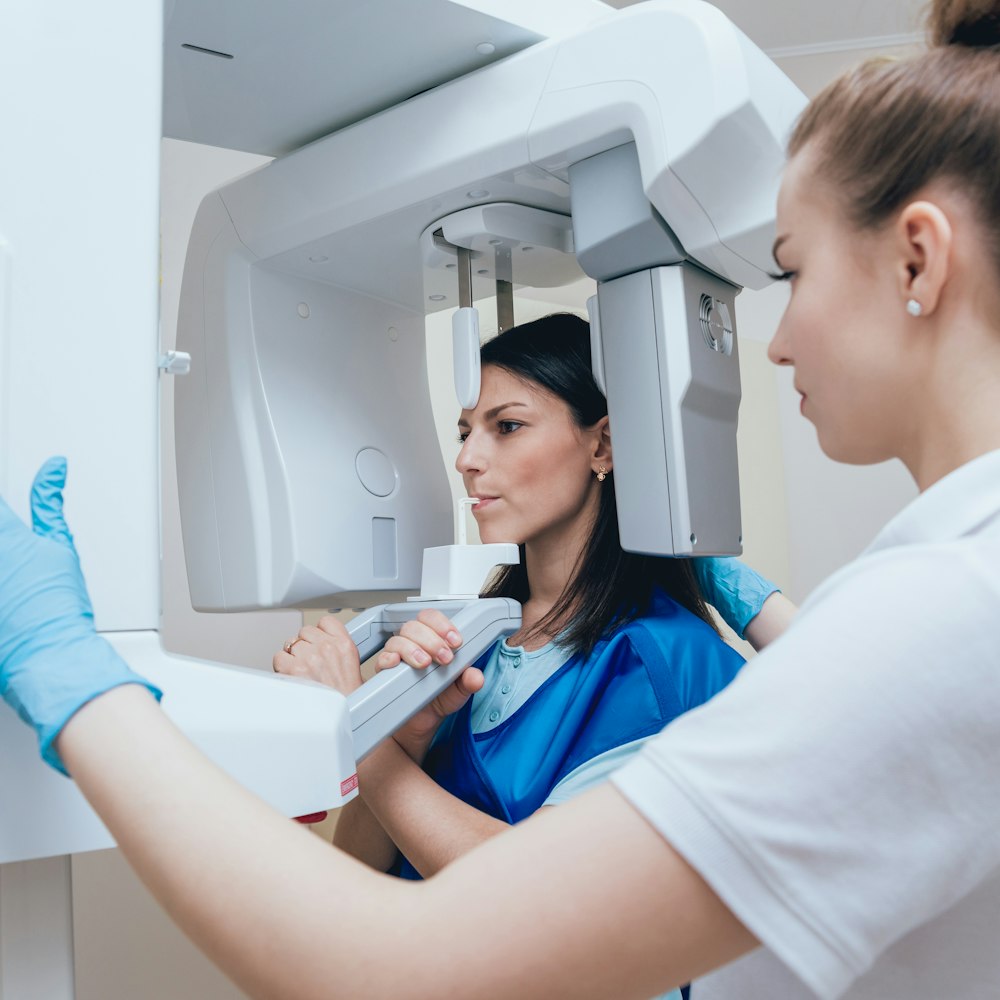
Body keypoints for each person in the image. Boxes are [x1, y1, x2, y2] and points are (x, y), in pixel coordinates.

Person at [1, 1, 999, 996]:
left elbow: (399, 961)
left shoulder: (927, 611)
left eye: (792, 270)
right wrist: (382, 736)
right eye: (463, 429)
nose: (772, 341)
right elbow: (365, 883)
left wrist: (79, 677)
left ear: (917, 258)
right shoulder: (465, 649)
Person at [271, 314, 780, 903]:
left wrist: (359, 733)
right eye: (465, 433)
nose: (467, 460)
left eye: (507, 426)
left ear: (603, 444)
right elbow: (361, 872)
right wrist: (405, 737)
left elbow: (532, 894)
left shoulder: (659, 660)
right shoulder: (467, 637)